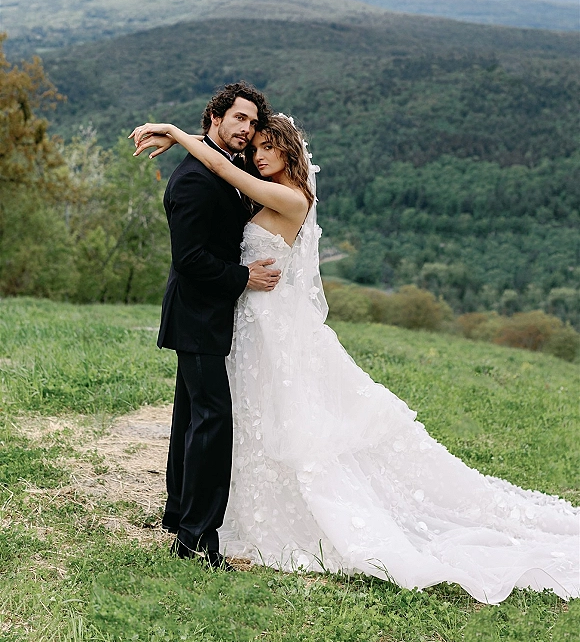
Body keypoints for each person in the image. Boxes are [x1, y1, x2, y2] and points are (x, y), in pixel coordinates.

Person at [132, 114, 579, 603]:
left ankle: (227, 517)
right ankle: (214, 510)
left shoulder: (290, 198)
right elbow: (229, 168)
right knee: (249, 414)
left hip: (270, 318)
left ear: (289, 153)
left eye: (267, 147)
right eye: (255, 146)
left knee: (276, 416)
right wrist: (197, 139)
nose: (257, 156)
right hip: (252, 319)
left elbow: (227, 172)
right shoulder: (268, 185)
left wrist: (178, 135)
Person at [130, 82, 282, 570]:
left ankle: (180, 517)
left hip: (211, 316)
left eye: (254, 123)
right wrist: (245, 277)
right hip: (196, 316)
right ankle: (197, 538)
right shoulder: (193, 179)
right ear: (215, 119)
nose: (247, 129)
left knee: (191, 419)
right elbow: (189, 258)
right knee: (213, 424)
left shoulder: (229, 167)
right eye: (239, 118)